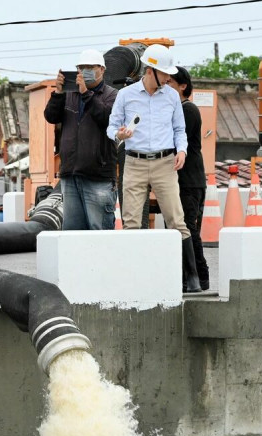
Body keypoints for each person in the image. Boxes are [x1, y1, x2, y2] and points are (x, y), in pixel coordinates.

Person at [106, 44, 201, 293]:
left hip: (165, 162)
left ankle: (192, 278)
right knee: (131, 223)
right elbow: (111, 127)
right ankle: (133, 278)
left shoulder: (171, 96)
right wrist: (120, 133)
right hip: (134, 163)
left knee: (177, 219)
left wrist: (181, 150)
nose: (169, 78)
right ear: (150, 71)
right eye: (164, 73)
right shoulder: (126, 95)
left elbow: (179, 130)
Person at [44, 49, 118, 230]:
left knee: (98, 229)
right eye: (81, 67)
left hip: (98, 176)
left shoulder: (112, 95)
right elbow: (51, 116)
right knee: (72, 232)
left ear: (102, 69)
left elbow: (105, 118)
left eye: (89, 67)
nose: (84, 71)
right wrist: (59, 93)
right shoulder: (70, 94)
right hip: (70, 174)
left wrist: (86, 94)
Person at [167, 66, 210, 291]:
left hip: (189, 180)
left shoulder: (187, 109)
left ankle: (200, 277)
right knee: (180, 229)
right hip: (181, 180)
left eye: (170, 84)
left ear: (183, 86)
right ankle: (186, 277)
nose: (166, 88)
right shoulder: (178, 109)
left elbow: (174, 139)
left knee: (188, 230)